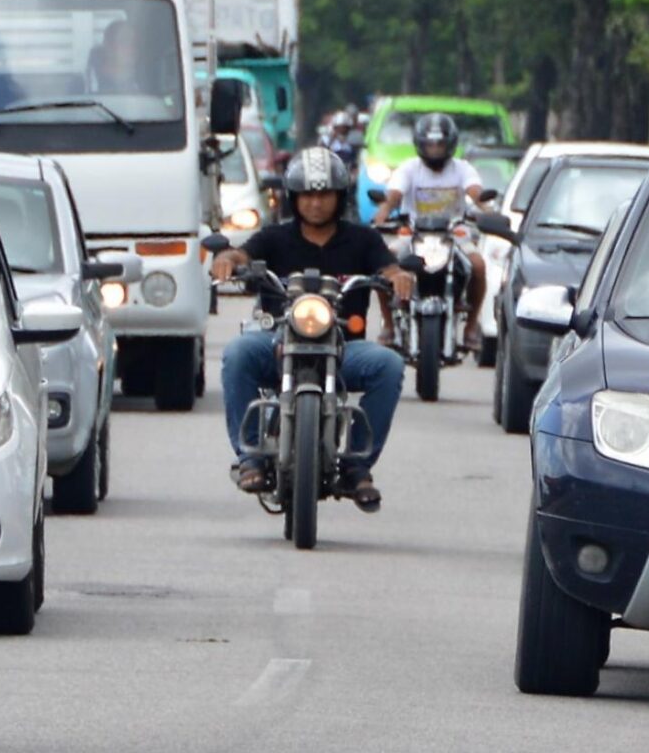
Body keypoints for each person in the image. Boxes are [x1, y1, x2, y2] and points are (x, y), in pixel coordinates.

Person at [207, 147, 412, 512]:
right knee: (237, 353)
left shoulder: (363, 240)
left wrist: (397, 277)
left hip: (344, 349)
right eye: (308, 195)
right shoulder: (274, 238)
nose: (316, 203)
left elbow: (387, 267)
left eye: (324, 194)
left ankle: (356, 467)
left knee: (389, 365)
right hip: (278, 344)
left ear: (339, 197)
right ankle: (250, 456)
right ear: (294, 198)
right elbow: (242, 254)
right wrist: (228, 260)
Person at [377, 111, 487, 349]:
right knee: (384, 263)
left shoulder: (462, 168)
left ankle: (470, 326)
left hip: (454, 234)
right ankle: (388, 324)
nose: (435, 149)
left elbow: (475, 192)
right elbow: (393, 195)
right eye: (430, 144)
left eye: (439, 144)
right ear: (419, 144)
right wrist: (383, 213)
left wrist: (488, 210)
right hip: (413, 234)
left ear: (450, 144)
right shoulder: (409, 169)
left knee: (477, 265)